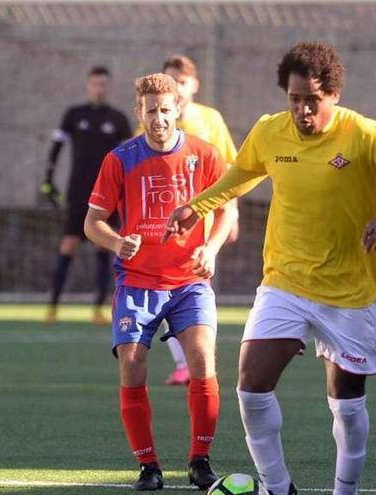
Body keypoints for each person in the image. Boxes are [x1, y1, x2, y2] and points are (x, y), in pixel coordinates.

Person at [165, 42, 376, 495]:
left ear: (333, 95)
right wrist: (197, 205)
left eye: (312, 100)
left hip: (348, 291)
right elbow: (243, 173)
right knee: (250, 387)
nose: (302, 110)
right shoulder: (271, 131)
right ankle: (278, 488)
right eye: (294, 99)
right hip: (284, 282)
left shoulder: (366, 135)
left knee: (346, 404)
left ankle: (343, 491)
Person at [84, 73, 237, 491]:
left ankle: (199, 461)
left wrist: (211, 249)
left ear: (177, 110)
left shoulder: (204, 155)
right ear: (140, 112)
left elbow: (226, 210)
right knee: (132, 365)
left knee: (203, 359)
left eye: (165, 111)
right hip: (138, 283)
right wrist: (117, 242)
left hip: (190, 281)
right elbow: (92, 222)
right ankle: (149, 467)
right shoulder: (120, 159)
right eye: (151, 111)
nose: (159, 119)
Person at [141, 54, 241, 386]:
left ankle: (196, 360)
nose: (177, 90)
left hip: (203, 222)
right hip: (159, 223)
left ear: (194, 85)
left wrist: (233, 210)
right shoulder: (152, 121)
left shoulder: (210, 120)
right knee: (165, 286)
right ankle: (186, 362)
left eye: (181, 83)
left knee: (194, 286)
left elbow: (231, 168)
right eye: (170, 83)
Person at [42, 66, 132, 325]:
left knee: (102, 246)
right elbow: (56, 148)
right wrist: (48, 179)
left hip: (106, 195)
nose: (99, 88)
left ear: (109, 86)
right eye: (95, 83)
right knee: (68, 245)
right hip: (78, 193)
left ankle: (98, 309)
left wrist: (126, 191)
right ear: (88, 85)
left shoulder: (117, 119)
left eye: (103, 84)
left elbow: (128, 158)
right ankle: (52, 307)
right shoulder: (74, 115)